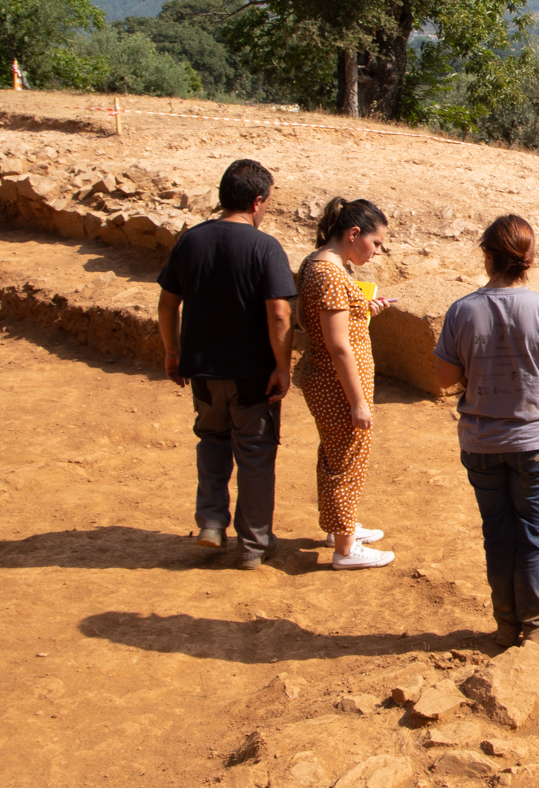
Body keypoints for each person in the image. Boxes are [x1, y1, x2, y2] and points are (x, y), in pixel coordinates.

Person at [432, 215, 539, 648]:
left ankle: (504, 624)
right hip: (536, 440)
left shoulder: (462, 310)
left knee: (497, 532)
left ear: (487, 255)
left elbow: (444, 378)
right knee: (532, 534)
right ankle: (538, 626)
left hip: (481, 442)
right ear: (529, 260)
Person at [157, 159, 297, 569]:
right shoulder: (264, 247)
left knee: (212, 442)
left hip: (202, 370)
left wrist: (172, 352)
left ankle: (212, 523)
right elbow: (279, 313)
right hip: (252, 375)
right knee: (255, 454)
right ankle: (253, 545)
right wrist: (282, 366)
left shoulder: (190, 241)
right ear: (257, 201)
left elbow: (167, 304)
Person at [298, 197, 396, 569]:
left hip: (328, 379)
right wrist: (357, 402)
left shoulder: (320, 264)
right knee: (346, 460)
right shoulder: (330, 273)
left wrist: (362, 308)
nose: (377, 251)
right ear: (354, 233)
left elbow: (323, 319)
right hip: (336, 384)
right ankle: (345, 548)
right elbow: (339, 346)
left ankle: (342, 528)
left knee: (336, 455)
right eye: (375, 242)